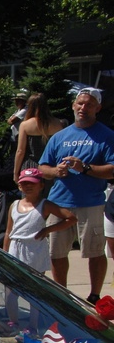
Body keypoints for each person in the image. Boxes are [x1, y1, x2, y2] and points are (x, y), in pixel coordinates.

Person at [38, 87, 114, 304]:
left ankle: (94, 295)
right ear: (73, 105)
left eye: (89, 104)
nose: (83, 108)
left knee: (94, 251)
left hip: (91, 203)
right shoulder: (60, 136)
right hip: (59, 203)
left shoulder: (107, 136)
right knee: (57, 253)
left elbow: (112, 169)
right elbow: (42, 167)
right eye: (80, 103)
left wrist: (86, 168)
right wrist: (55, 172)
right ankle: (63, 297)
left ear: (97, 108)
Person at [4, 167, 76, 333]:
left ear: (41, 185)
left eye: (32, 183)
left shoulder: (45, 205)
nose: (28, 186)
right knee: (10, 288)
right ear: (19, 186)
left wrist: (47, 230)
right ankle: (13, 322)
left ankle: (33, 325)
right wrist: (5, 252)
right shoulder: (14, 205)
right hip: (16, 247)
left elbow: (70, 218)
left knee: (34, 289)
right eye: (24, 184)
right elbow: (9, 231)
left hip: (34, 249)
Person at [13, 92, 64, 182]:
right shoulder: (58, 123)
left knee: (30, 195)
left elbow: (20, 151)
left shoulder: (25, 125)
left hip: (31, 167)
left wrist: (15, 172)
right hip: (51, 166)